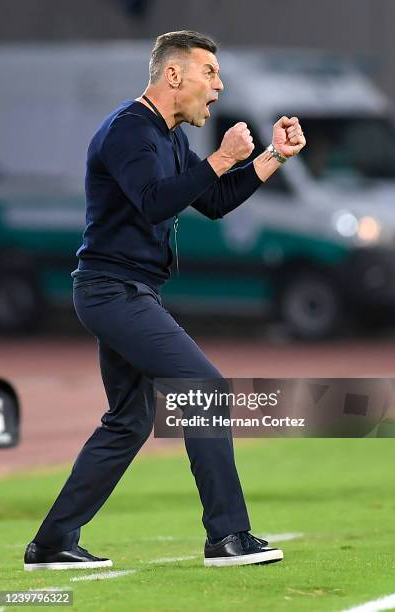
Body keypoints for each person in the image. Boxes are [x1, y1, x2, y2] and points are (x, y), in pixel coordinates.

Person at [24, 30, 306, 571]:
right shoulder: (130, 131)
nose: (218, 87)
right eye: (210, 73)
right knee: (204, 390)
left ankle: (53, 541)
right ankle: (227, 536)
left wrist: (274, 156)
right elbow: (154, 204)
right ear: (173, 75)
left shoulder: (170, 137)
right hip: (113, 291)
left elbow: (215, 201)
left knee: (129, 420)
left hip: (126, 291)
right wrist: (222, 157)